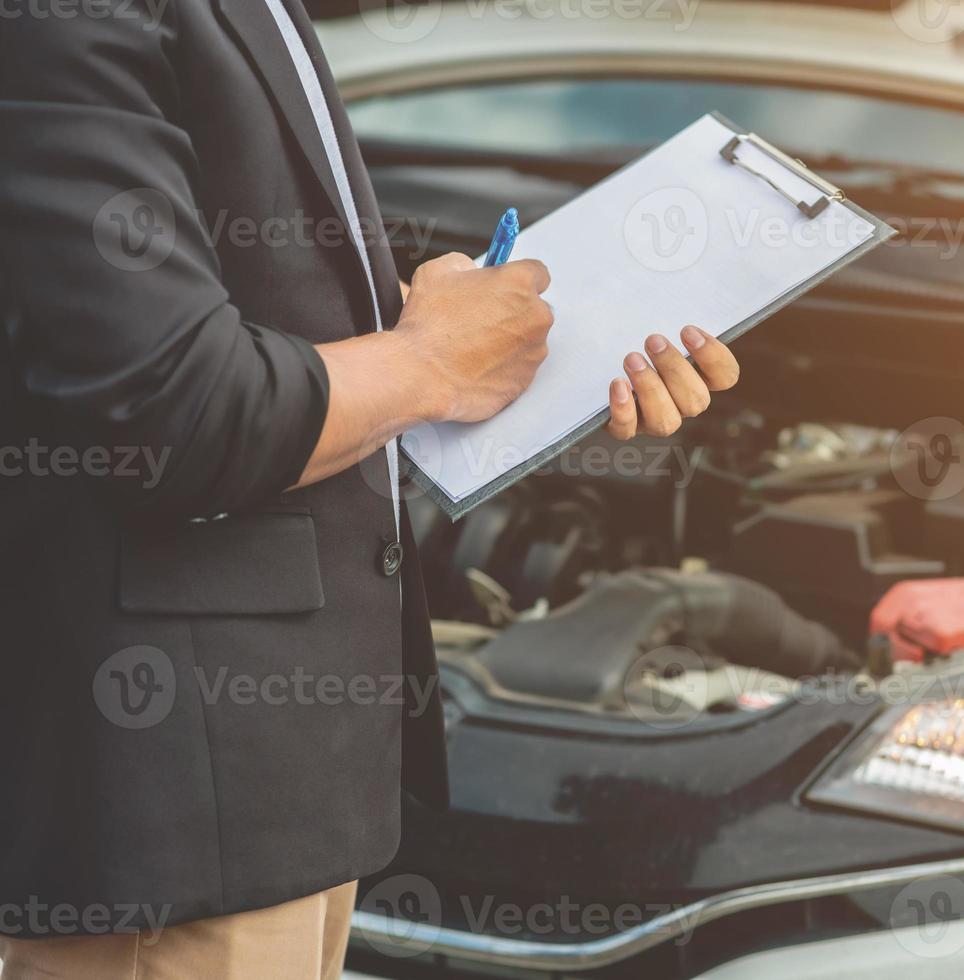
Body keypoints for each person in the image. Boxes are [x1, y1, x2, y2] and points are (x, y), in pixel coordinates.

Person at [0, 0, 739, 976]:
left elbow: (231, 314)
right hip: (174, 809)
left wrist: (516, 350)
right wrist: (433, 361)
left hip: (276, 794)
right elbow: (170, 406)